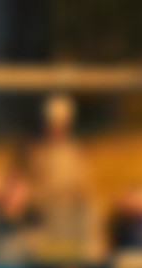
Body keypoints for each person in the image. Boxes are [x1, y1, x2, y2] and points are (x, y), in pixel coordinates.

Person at [30, 93, 95, 256]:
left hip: (70, 218)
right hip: (45, 218)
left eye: (60, 122)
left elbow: (86, 190)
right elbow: (32, 187)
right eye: (52, 122)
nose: (56, 126)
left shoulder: (74, 153)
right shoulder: (36, 153)